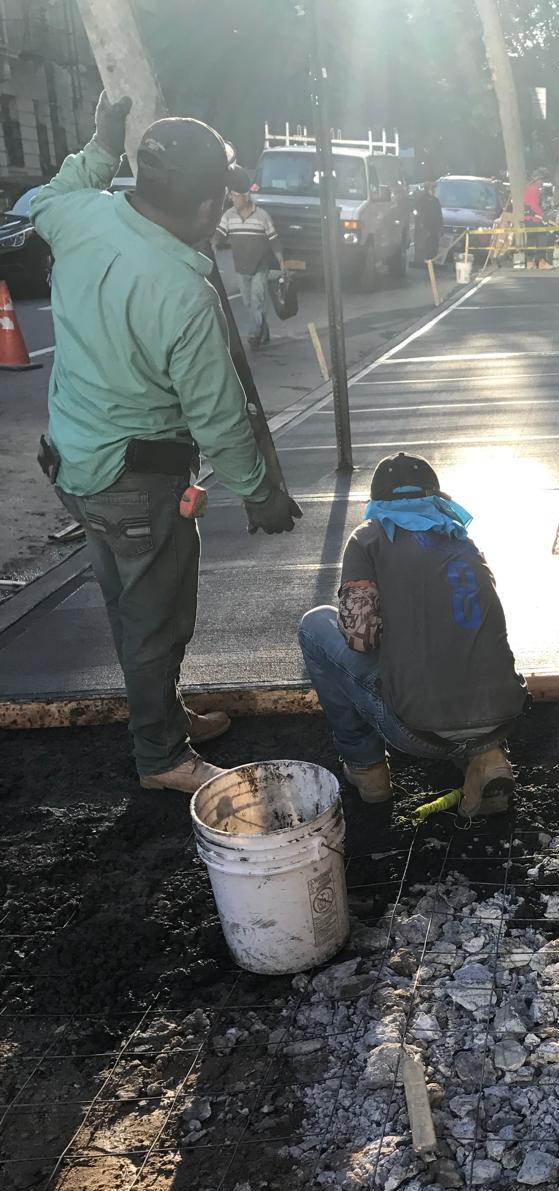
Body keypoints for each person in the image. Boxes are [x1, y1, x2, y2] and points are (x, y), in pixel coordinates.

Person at [31, 93, 300, 795]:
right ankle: (162, 757)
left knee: (128, 605)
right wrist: (262, 494)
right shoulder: (182, 292)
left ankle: (162, 715)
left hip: (75, 465)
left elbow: (47, 196)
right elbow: (218, 419)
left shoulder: (81, 214)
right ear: (209, 208)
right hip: (136, 485)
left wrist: (100, 145)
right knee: (156, 620)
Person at [298, 452, 525, 818]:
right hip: (502, 718)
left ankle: (365, 768)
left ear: (378, 500)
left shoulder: (368, 538)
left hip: (419, 730)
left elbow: (360, 638)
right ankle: (487, 757)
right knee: (464, 648)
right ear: (436, 496)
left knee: (313, 626)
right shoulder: (461, 540)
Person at [215, 168, 281, 349]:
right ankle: (263, 330)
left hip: (260, 268)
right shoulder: (228, 216)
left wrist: (282, 263)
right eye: (231, 196)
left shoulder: (262, 216)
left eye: (235, 196)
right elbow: (218, 235)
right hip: (241, 269)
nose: (232, 199)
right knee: (248, 303)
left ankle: (254, 334)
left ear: (245, 196)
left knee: (256, 302)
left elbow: (274, 240)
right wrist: (211, 246)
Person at [412, 180, 443, 264]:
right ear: (427, 189)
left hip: (434, 230)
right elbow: (418, 214)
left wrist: (440, 228)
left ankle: (431, 262)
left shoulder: (435, 201)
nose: (434, 190)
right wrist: (422, 227)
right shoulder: (421, 201)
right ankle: (420, 262)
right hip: (424, 229)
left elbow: (439, 215)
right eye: (432, 189)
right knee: (422, 247)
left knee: (433, 247)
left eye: (434, 189)